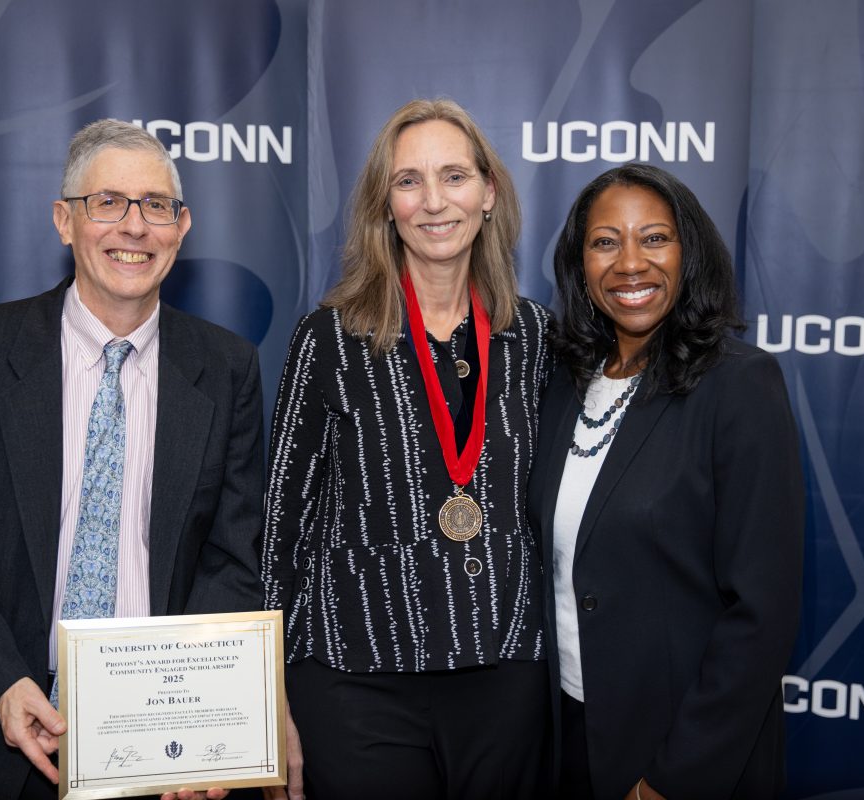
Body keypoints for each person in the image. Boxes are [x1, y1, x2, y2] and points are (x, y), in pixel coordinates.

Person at [0, 119, 264, 800]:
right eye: (107, 202)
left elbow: (236, 555)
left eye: (156, 206)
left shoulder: (227, 368)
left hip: (158, 748)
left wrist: (197, 718)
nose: (134, 227)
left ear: (182, 225)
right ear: (64, 221)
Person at [261, 98, 553, 800]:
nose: (433, 201)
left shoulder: (536, 338)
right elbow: (280, 536)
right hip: (357, 681)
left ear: (489, 193)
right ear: (384, 206)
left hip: (504, 673)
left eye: (453, 176)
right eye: (408, 181)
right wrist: (267, 705)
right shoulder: (328, 338)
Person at [528, 164, 804, 800]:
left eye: (654, 238)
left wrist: (673, 778)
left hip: (682, 751)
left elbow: (761, 613)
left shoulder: (739, 385)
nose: (630, 264)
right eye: (605, 242)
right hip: (569, 733)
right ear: (579, 262)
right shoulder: (566, 382)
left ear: (690, 252)